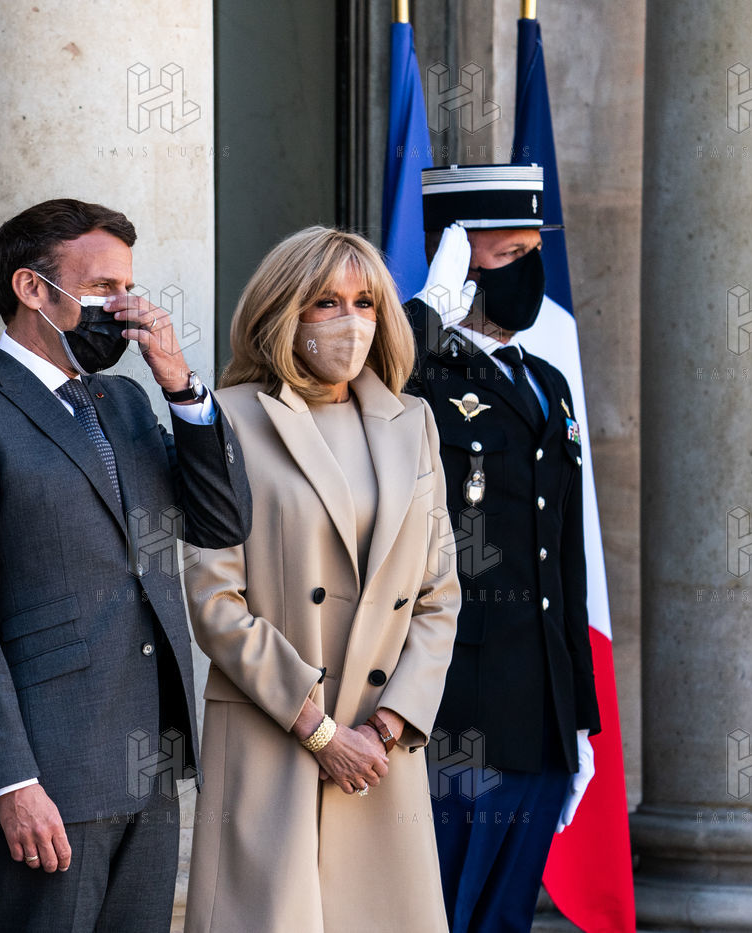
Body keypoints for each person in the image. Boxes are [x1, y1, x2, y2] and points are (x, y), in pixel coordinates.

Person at [0, 198, 253, 933]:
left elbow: (221, 520)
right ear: (32, 288)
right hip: (48, 776)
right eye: (102, 288)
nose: (123, 307)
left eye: (128, 287)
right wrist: (11, 782)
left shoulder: (125, 402)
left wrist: (180, 385)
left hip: (148, 765)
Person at [182, 226, 461, 933]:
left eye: (365, 303)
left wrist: (384, 727)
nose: (351, 321)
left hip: (378, 750)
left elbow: (438, 595)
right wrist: (320, 731)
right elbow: (215, 602)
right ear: (285, 312)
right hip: (273, 735)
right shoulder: (229, 420)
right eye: (327, 303)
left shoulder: (413, 421)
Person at [404, 163, 601, 933]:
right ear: (460, 261)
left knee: (504, 918)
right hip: (459, 712)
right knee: (438, 915)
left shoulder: (546, 382)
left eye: (534, 252)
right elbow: (361, 397)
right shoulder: (418, 373)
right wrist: (427, 312)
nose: (530, 271)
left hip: (541, 712)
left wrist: (578, 714)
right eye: (510, 254)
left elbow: (566, 558)